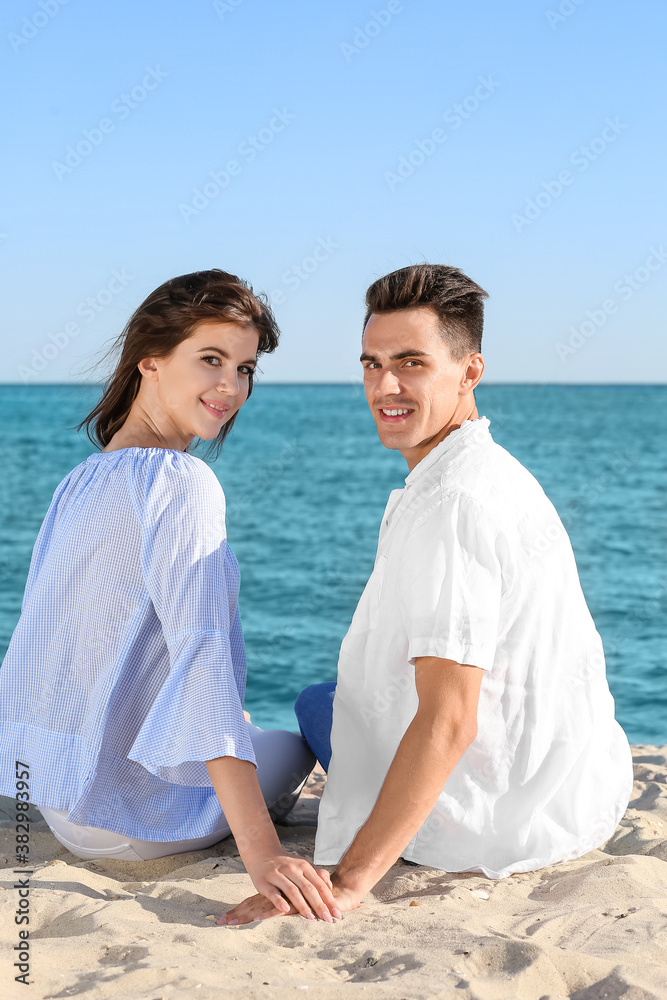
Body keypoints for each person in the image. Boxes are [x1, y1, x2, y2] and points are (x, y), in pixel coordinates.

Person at [221, 263, 634, 925]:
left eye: (410, 363)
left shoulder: (453, 503)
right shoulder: (486, 467)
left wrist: (350, 882)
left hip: (486, 827)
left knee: (316, 706)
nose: (384, 386)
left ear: (469, 372)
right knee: (337, 700)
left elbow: (449, 721)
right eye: (371, 363)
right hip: (576, 794)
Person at [0, 269, 340, 923]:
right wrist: (264, 855)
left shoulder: (81, 480)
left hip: (61, 801)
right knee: (300, 737)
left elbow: (52, 648)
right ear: (148, 360)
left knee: (238, 725)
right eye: (210, 359)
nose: (229, 387)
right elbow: (202, 662)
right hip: (141, 821)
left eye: (243, 368)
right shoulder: (183, 483)